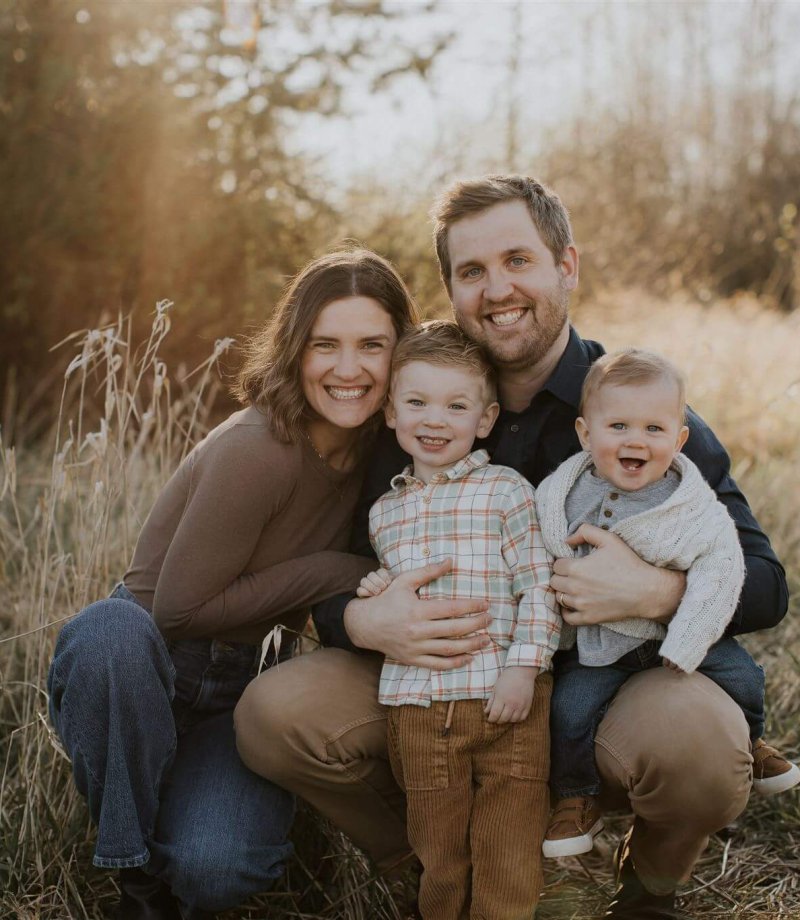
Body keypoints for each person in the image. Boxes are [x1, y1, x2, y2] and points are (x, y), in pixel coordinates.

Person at [234, 176, 789, 920]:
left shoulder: (635, 412)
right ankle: (429, 867)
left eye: (518, 260)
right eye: (472, 272)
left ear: (567, 266)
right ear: (452, 290)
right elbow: (335, 562)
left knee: (699, 750)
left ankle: (649, 885)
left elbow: (764, 586)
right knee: (277, 714)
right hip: (443, 683)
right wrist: (360, 621)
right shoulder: (416, 407)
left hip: (606, 684)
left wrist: (653, 592)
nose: (498, 289)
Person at [46, 248, 420, 920]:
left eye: (372, 345)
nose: (348, 368)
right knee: (110, 634)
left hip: (238, 692)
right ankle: (135, 883)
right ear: (293, 350)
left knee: (218, 869)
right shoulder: (260, 447)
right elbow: (181, 610)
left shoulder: (378, 456)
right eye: (323, 345)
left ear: (402, 354)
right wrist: (336, 570)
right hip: (143, 667)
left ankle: (173, 843)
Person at [536, 348, 800, 861]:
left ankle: (753, 741)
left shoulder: (687, 500)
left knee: (745, 676)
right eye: (618, 426)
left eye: (654, 430)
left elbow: (727, 561)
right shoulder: (562, 493)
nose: (636, 440)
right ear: (586, 434)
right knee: (569, 709)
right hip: (602, 644)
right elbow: (543, 548)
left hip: (675, 634)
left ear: (680, 441)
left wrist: (672, 602)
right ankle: (576, 796)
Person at [355, 320, 559, 918]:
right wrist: (375, 589)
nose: (435, 420)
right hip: (417, 710)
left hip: (506, 702)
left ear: (486, 419)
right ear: (392, 413)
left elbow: (538, 587)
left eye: (456, 405)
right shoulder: (383, 514)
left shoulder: (506, 491)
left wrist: (525, 668)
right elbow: (394, 594)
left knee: (508, 847)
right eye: (417, 402)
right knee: (438, 851)